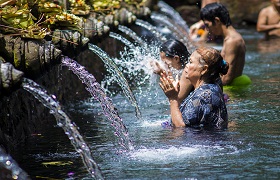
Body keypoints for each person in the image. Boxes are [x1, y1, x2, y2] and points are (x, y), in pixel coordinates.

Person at [159, 46, 228, 130]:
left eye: (190, 62)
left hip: (201, 142)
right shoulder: (210, 87)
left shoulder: (203, 96)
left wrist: (172, 98)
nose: (186, 66)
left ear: (204, 69)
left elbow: (181, 130)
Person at [200, 3, 246, 85]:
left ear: (217, 21)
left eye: (207, 25)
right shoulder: (231, 38)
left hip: (230, 92)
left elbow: (226, 78)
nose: (207, 29)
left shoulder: (232, 41)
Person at [151, 39, 193, 103]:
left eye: (166, 63)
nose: (166, 66)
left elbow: (178, 99)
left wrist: (162, 75)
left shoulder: (188, 72)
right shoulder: (189, 64)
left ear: (176, 58)